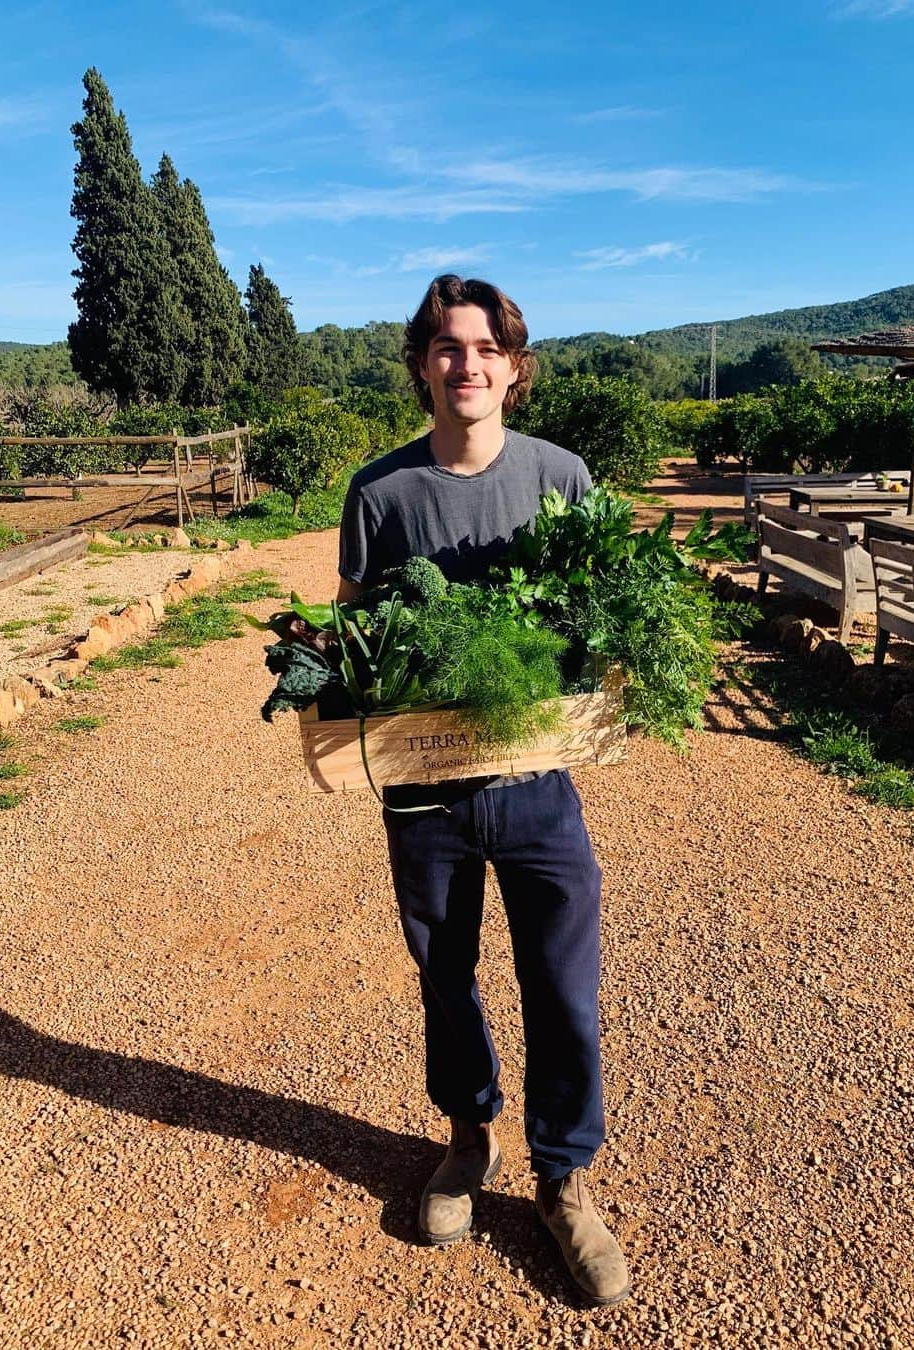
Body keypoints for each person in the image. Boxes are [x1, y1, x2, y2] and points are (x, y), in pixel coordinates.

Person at [337, 274, 630, 1306]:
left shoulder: (563, 477)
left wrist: (617, 663)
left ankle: (565, 1179)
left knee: (564, 985)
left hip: (541, 781)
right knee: (444, 975)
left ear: (513, 367)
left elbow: (603, 618)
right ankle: (468, 1141)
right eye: (447, 347)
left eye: (485, 348)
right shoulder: (382, 494)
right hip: (426, 794)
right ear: (422, 364)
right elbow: (355, 632)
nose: (467, 364)